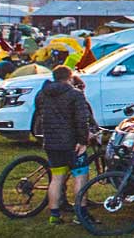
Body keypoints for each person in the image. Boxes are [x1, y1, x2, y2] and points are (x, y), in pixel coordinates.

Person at [32, 66, 96, 225]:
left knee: (57, 178)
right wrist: (83, 141)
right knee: (80, 177)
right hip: (71, 143)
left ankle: (54, 215)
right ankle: (80, 214)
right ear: (70, 77)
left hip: (51, 143)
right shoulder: (75, 95)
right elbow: (82, 120)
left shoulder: (42, 94)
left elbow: (40, 114)